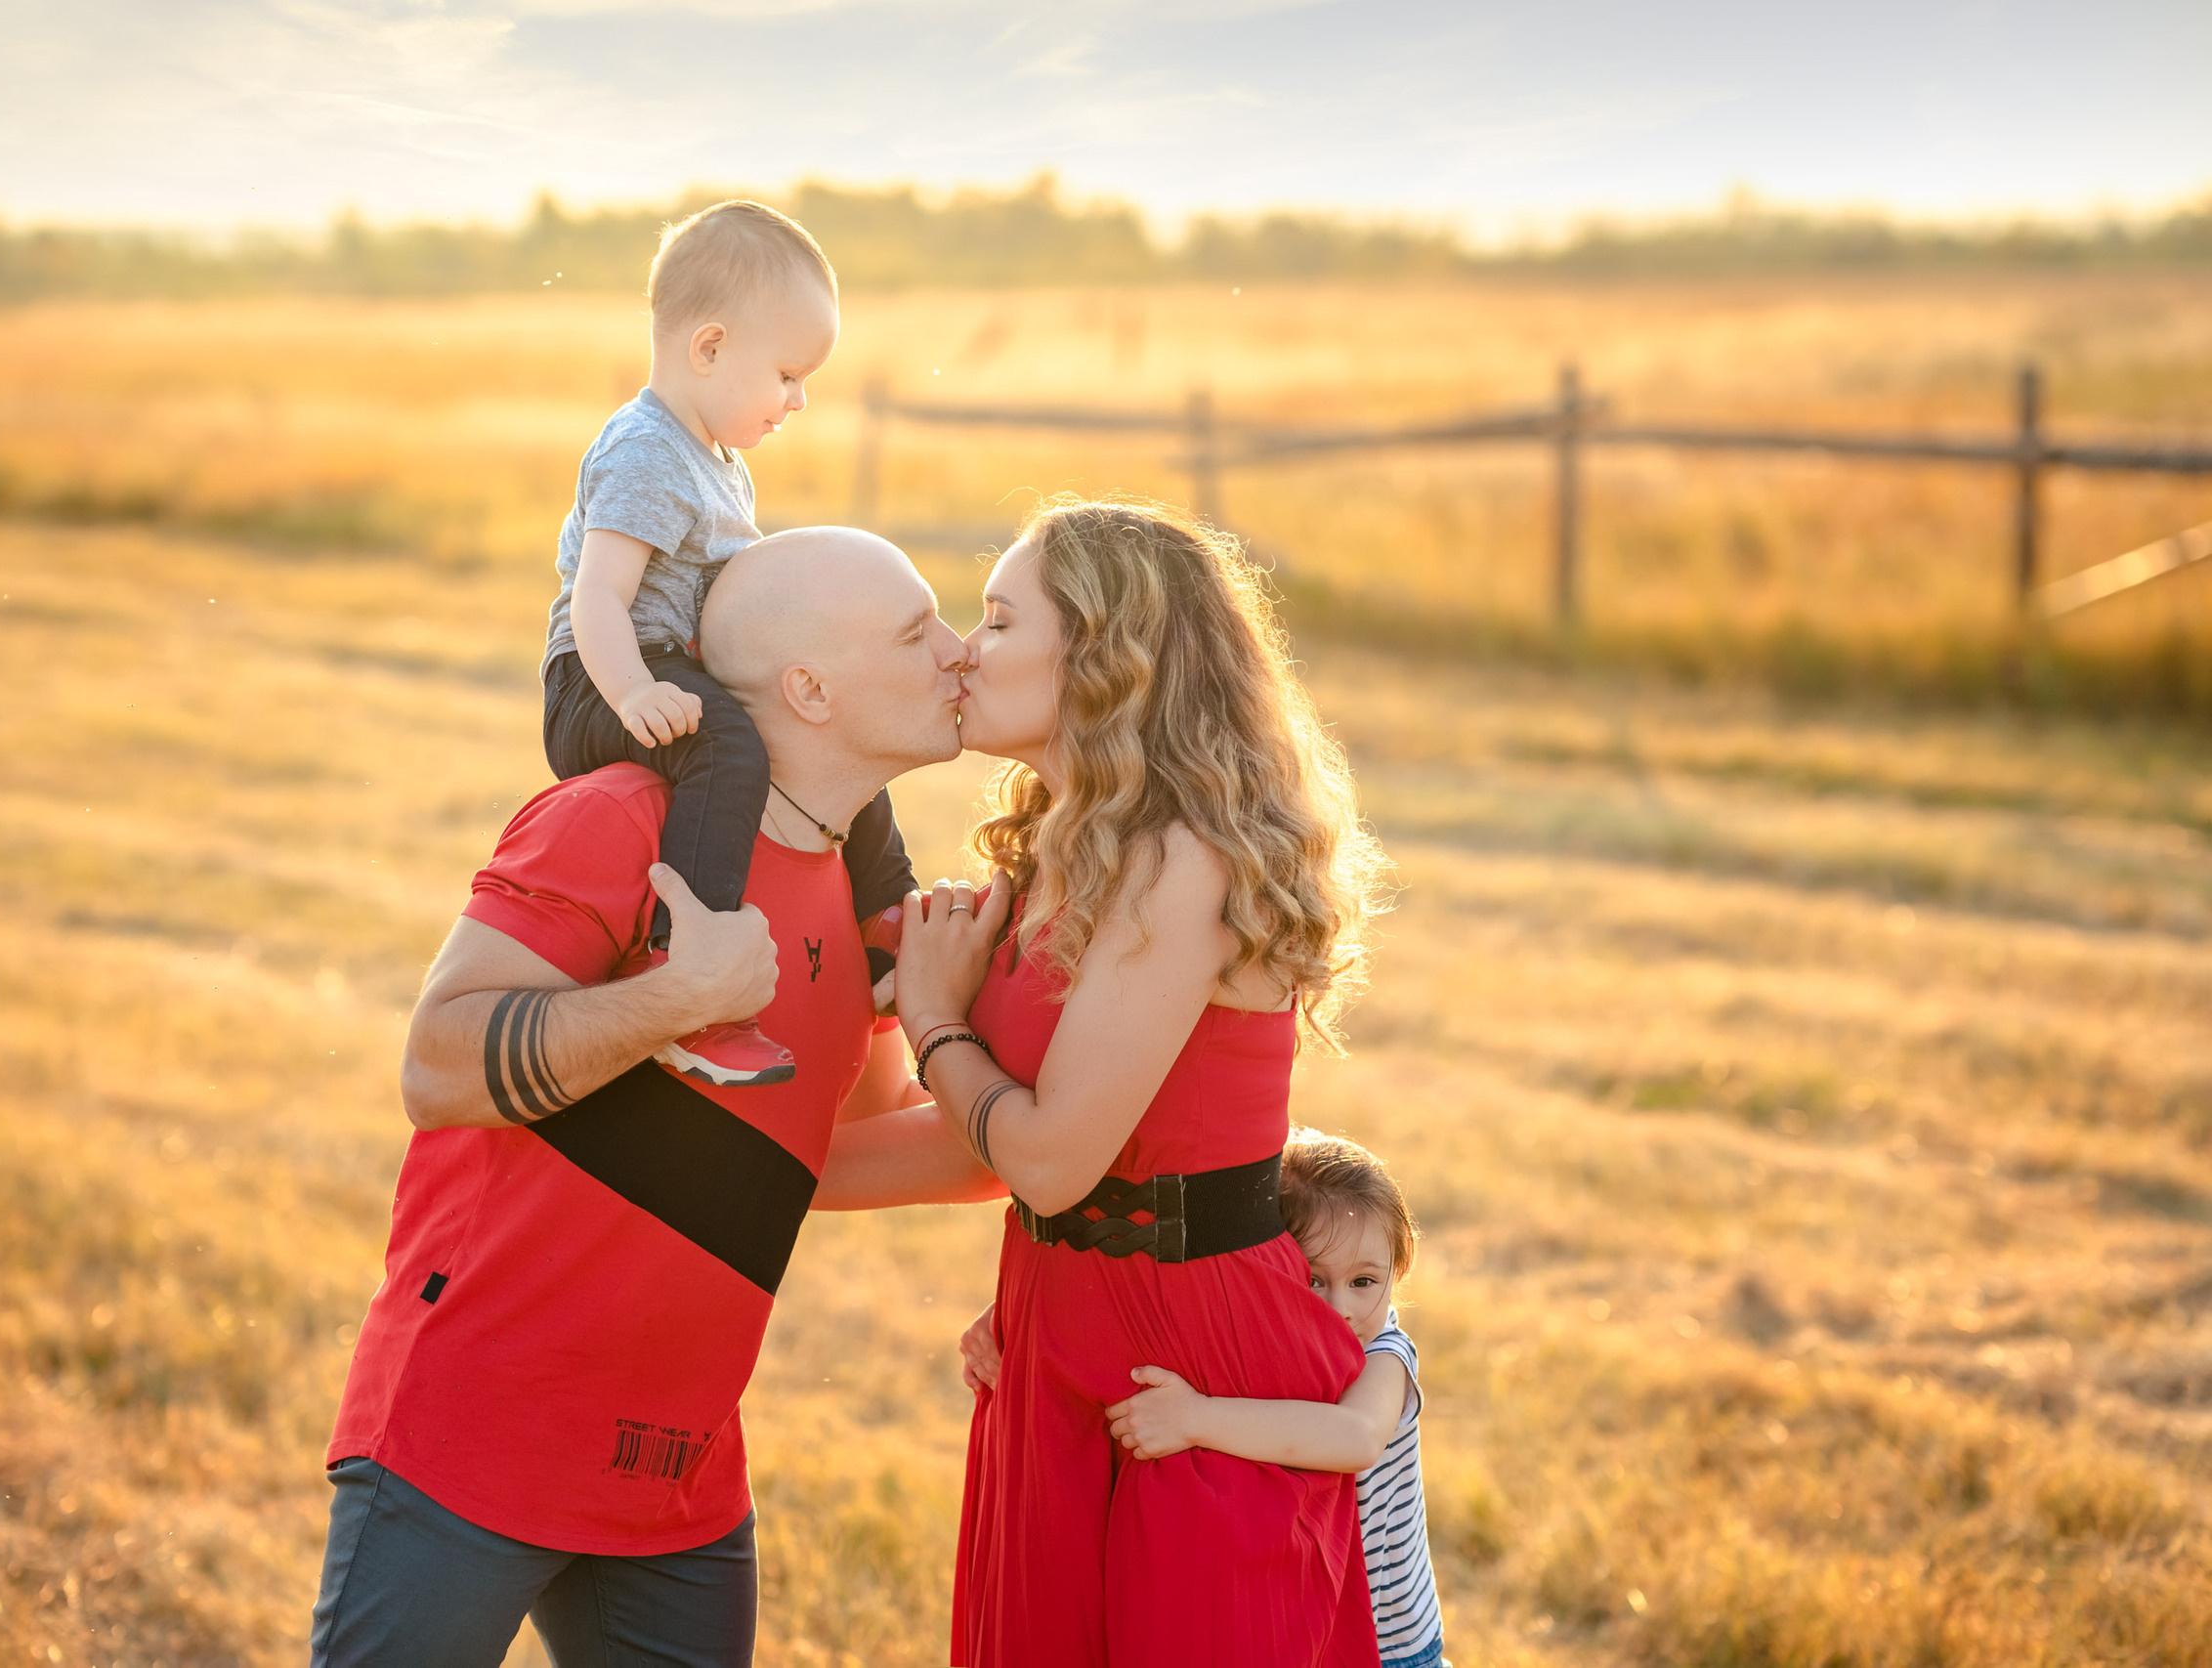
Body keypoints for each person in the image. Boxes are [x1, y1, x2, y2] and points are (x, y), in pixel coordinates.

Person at [312, 528, 1004, 1668]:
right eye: (913, 629)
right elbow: (436, 1066)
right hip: (471, 1434)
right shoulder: (621, 818)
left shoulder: (858, 896)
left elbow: (827, 1155)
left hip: (674, 1483)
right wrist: (675, 999)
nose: (956, 650)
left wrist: (949, 1022)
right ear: (809, 689)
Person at [895, 499, 1393, 1667]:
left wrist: (928, 1014)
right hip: (1057, 1311)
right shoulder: (1059, 845)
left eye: (1000, 618)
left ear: (1105, 656)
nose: (967, 647)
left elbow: (1051, 1154)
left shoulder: (1180, 858)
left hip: (1194, 1345)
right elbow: (991, 1135)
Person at [540, 198, 914, 1089]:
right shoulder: (646, 451)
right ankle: (692, 977)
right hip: (598, 681)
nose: (800, 398)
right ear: (709, 349)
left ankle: (886, 921)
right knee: (729, 745)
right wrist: (633, 694)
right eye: (787, 374)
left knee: (833, 732)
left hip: (667, 671)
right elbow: (596, 596)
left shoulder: (718, 459)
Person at [965, 1130, 1448, 1668]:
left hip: (1390, 1641)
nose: (1341, 1308)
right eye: (1313, 1280)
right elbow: (1141, 1289)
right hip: (1306, 1616)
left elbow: (1355, 1437)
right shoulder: (1268, 1329)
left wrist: (1195, 1418)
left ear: (1396, 1273)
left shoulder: (1387, 1354)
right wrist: (1007, 1314)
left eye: (1364, 1282)